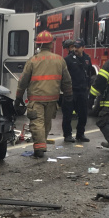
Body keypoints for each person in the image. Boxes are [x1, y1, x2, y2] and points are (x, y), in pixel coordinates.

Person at [15, 30, 72, 158]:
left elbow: (23, 81)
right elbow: (67, 80)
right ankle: (42, 144)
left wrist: (18, 97)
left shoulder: (33, 60)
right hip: (52, 99)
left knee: (37, 123)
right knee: (46, 123)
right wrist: (68, 95)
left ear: (38, 45)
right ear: (51, 44)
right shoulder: (60, 60)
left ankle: (39, 148)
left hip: (36, 98)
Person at [62, 38, 92, 143]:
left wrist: (88, 87)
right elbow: (64, 76)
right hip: (71, 91)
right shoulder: (68, 60)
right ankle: (67, 135)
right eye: (74, 47)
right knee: (68, 114)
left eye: (78, 47)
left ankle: (80, 134)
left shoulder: (87, 59)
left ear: (83, 48)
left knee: (83, 114)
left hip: (82, 91)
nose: (76, 49)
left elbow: (89, 74)